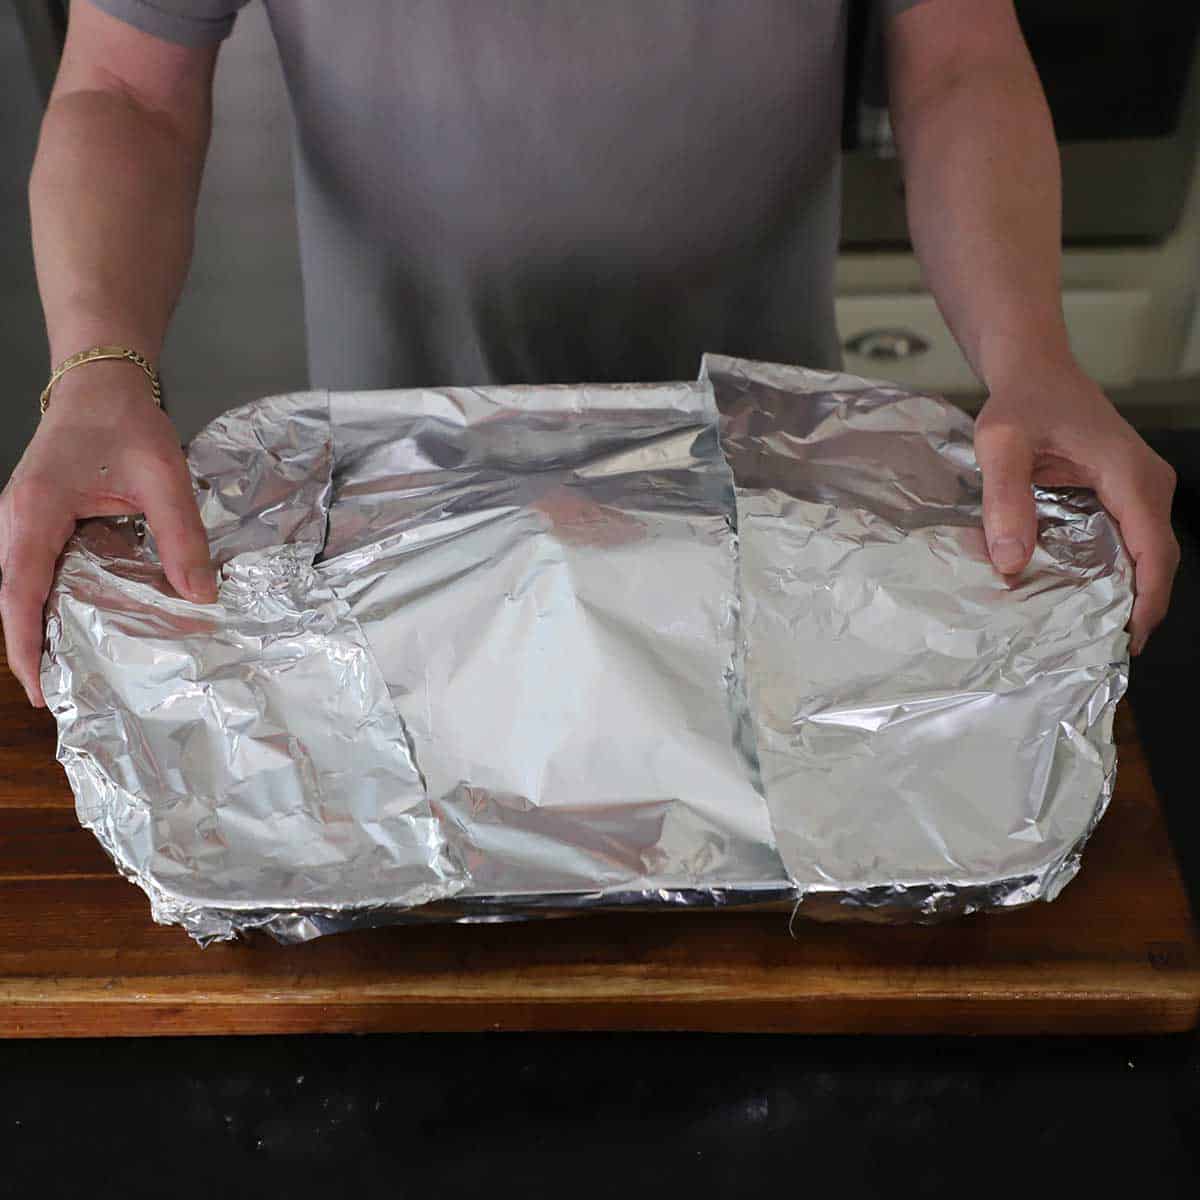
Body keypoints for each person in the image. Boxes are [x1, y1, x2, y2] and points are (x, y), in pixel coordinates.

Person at [0, 0, 1179, 707]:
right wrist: (97, 368)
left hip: (769, 493)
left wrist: (1033, 355)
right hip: (397, 498)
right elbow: (125, 84)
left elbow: (962, 52)